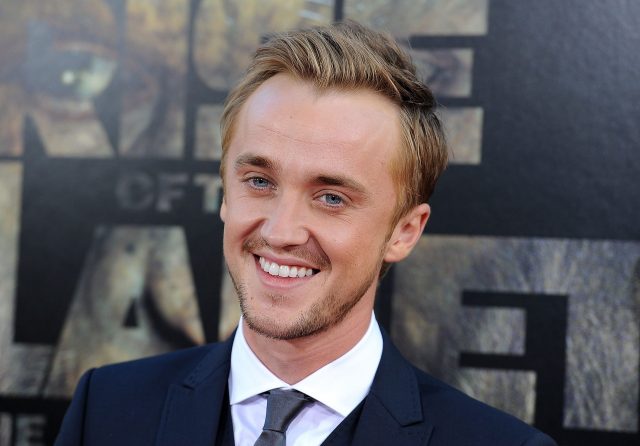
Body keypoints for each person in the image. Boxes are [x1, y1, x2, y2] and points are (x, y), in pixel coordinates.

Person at [55, 20, 557, 446]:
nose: (281, 231)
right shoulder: (105, 411)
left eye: (331, 197)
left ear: (404, 232)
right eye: (259, 181)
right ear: (225, 193)